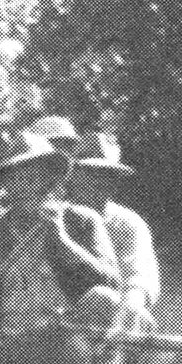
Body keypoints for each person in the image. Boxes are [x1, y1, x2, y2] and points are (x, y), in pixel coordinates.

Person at [0, 130, 120, 348]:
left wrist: (62, 240)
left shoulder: (81, 222)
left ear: (51, 181)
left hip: (67, 345)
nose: (31, 187)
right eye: (19, 179)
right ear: (7, 187)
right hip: (5, 353)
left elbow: (111, 286)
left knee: (105, 298)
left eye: (37, 177)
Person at [69, 133, 161, 336]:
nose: (99, 181)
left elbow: (139, 277)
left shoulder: (127, 224)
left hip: (108, 326)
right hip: (56, 324)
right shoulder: (57, 216)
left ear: (115, 181)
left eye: (108, 174)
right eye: (90, 172)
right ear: (74, 174)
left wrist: (132, 302)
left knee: (106, 299)